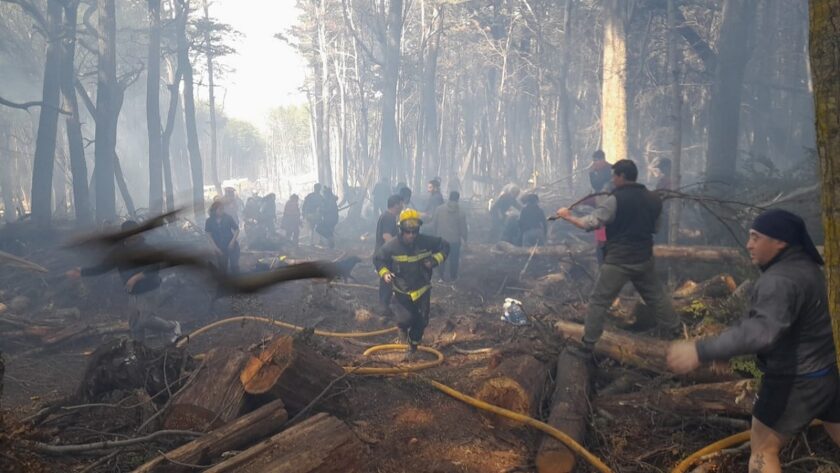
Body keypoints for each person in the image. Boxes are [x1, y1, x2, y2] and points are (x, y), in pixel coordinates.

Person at [667, 209, 840, 473]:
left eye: (755, 237)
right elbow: (778, 324)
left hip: (794, 381)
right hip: (826, 373)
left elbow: (761, 331)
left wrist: (702, 350)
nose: (749, 244)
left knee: (762, 449)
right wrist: (726, 353)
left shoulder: (779, 279)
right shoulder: (806, 268)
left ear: (780, 241)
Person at [555, 159, 679, 355]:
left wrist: (568, 216)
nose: (612, 179)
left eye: (614, 175)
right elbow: (655, 228)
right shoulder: (654, 199)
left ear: (622, 176)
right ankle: (677, 332)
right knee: (657, 297)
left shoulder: (615, 199)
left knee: (598, 301)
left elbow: (591, 222)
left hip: (619, 260)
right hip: (644, 258)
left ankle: (588, 347)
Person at [66, 221, 181, 343]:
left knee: (145, 320)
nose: (133, 236)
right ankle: (140, 350)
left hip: (150, 289)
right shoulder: (119, 250)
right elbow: (103, 267)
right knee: (134, 324)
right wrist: (82, 272)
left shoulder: (147, 248)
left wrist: (136, 277)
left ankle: (172, 326)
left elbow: (155, 268)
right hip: (133, 291)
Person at [373, 209, 449, 361]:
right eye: (408, 232)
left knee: (421, 321)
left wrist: (434, 261)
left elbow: (445, 246)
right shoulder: (392, 246)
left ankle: (413, 348)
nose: (411, 236)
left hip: (423, 290)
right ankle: (401, 328)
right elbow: (378, 259)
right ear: (401, 230)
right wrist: (385, 272)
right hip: (402, 292)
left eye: (414, 232)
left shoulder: (426, 241)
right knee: (406, 319)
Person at [375, 195, 405, 315]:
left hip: (383, 254)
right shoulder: (388, 217)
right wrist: (398, 250)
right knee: (387, 281)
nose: (402, 206)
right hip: (384, 256)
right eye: (401, 203)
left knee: (387, 281)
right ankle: (383, 308)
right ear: (396, 204)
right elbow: (386, 236)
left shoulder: (388, 216)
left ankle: (386, 305)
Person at [429, 191, 468, 282]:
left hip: (441, 238)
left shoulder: (439, 209)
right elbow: (463, 228)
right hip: (455, 240)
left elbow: (434, 224)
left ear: (449, 198)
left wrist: (435, 235)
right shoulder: (461, 212)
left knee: (441, 258)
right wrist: (465, 239)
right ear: (458, 199)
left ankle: (440, 277)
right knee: (454, 258)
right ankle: (453, 277)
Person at [588, 150, 612, 263]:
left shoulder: (606, 170)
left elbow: (596, 184)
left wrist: (592, 173)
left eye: (595, 161)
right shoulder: (610, 168)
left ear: (601, 159)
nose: (594, 164)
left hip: (605, 203)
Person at [205, 201, 240, 275]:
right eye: (220, 209)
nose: (222, 211)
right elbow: (208, 235)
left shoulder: (228, 218)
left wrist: (232, 242)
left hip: (232, 245)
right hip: (219, 247)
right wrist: (216, 248)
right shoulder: (209, 221)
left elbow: (237, 229)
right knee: (223, 268)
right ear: (214, 210)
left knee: (234, 267)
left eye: (222, 209)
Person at [653, 158, 673, 244]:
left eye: (662, 167)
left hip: (667, 211)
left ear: (668, 167)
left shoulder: (673, 180)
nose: (660, 169)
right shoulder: (663, 179)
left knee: (664, 233)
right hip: (660, 210)